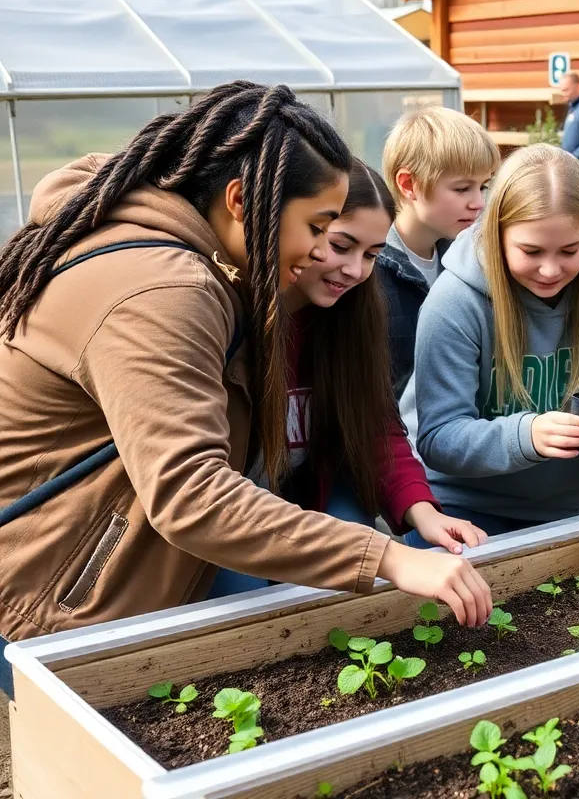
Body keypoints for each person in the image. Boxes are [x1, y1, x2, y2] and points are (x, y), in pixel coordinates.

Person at [0, 82, 491, 697]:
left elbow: (369, 425)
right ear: (241, 200)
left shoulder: (201, 267)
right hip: (48, 598)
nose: (321, 252)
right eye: (318, 227)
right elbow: (192, 492)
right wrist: (390, 557)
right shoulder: (163, 289)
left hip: (95, 567)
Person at [207, 159, 488, 598]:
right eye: (341, 246)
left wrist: (422, 511)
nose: (356, 270)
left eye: (372, 254)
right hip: (228, 511)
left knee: (349, 576)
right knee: (243, 600)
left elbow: (377, 425)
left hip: (310, 488)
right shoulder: (226, 321)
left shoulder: (351, 317)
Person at [402, 143, 579, 536]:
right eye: (530, 251)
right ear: (498, 235)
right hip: (457, 508)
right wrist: (527, 435)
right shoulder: (454, 302)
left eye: (570, 250)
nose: (550, 269)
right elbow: (438, 436)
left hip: (566, 509)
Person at [378, 106, 499, 397]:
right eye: (461, 189)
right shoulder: (369, 273)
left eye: (482, 187)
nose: (478, 203)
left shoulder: (472, 264)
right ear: (409, 184)